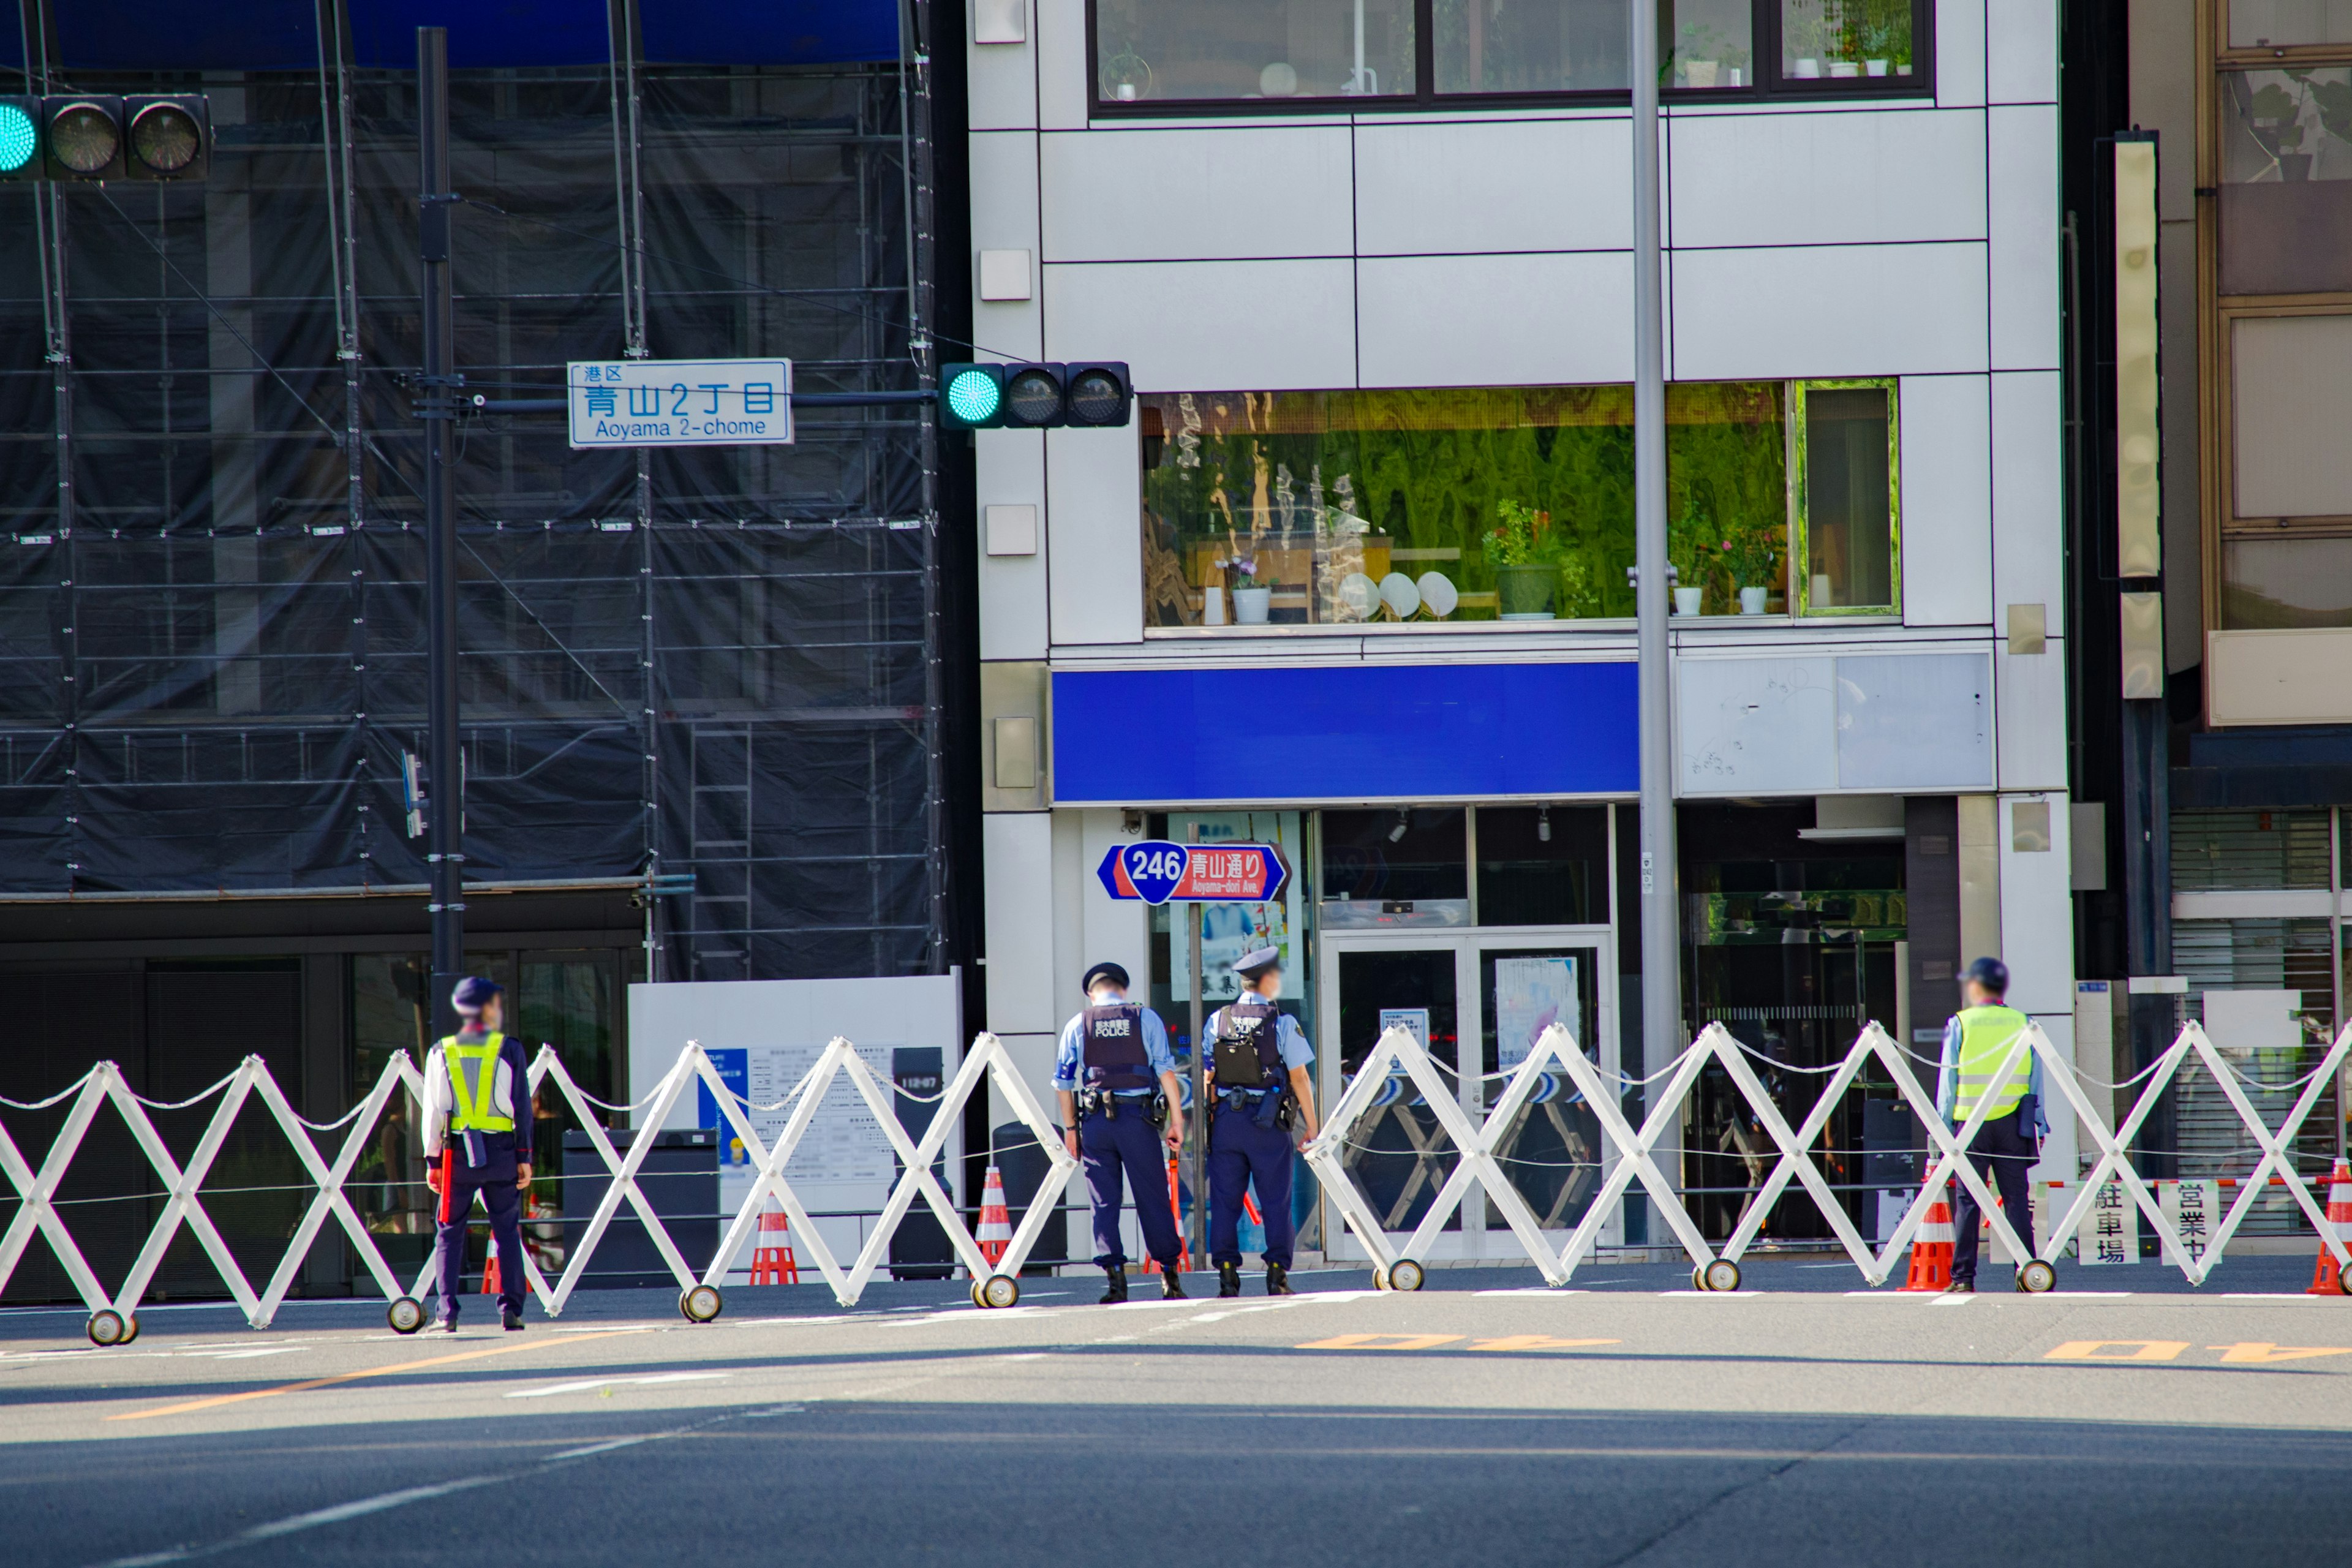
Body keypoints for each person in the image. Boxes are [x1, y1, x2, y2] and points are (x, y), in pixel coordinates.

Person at [1053, 962, 1188, 1303]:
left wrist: (1071, 1130)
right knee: (1153, 1197)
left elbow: (1063, 1084)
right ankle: (1169, 1277)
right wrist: (1177, 1120)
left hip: (1096, 1123)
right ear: (1123, 989)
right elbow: (1167, 1072)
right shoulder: (1146, 1018)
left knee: (1104, 1201)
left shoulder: (1077, 1024)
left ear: (1090, 992)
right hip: (1137, 1122)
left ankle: (1116, 1282)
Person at [1202, 945, 1319, 1298]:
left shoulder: (1218, 1019)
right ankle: (1276, 1275)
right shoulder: (1282, 1022)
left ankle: (1226, 1275)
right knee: (1275, 1200)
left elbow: (1209, 1076)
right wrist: (1312, 1126)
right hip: (1268, 1124)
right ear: (1267, 979)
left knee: (1225, 1200)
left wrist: (1213, 1121)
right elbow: (1299, 1078)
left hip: (1226, 1120)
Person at [423, 976, 533, 1332]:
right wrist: (524, 1156)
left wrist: (433, 1160)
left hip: (457, 1155)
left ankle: (447, 1312)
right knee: (506, 1231)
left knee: (450, 1232)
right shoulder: (510, 1049)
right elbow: (522, 1108)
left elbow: (433, 1112)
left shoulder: (442, 1050)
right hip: (501, 1151)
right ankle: (511, 1310)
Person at [1934, 957, 2048, 1294]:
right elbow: (2035, 1079)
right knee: (2016, 1198)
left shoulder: (1961, 1023)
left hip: (1970, 1125)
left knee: (1969, 1202)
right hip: (2013, 1123)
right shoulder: (2023, 1022)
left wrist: (1942, 1127)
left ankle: (1963, 1278)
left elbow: (1948, 1080)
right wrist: (2040, 1122)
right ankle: (2027, 1274)